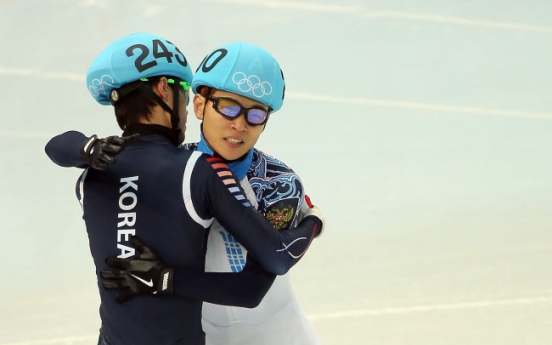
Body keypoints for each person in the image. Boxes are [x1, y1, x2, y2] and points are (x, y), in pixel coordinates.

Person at [44, 33, 324, 345]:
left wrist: (313, 222)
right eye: (229, 107)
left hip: (277, 334)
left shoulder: (277, 183)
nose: (240, 125)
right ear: (200, 106)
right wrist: (314, 223)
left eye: (256, 114)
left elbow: (260, 280)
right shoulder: (179, 168)